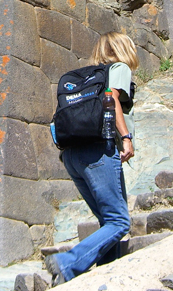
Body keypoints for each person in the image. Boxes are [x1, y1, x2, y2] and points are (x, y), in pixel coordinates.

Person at [44, 32, 137, 286]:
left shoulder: (84, 76)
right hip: (98, 152)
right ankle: (68, 262)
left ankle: (106, 277)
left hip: (73, 155)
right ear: (122, 48)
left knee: (108, 221)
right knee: (119, 221)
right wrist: (126, 137)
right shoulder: (117, 68)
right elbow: (112, 98)